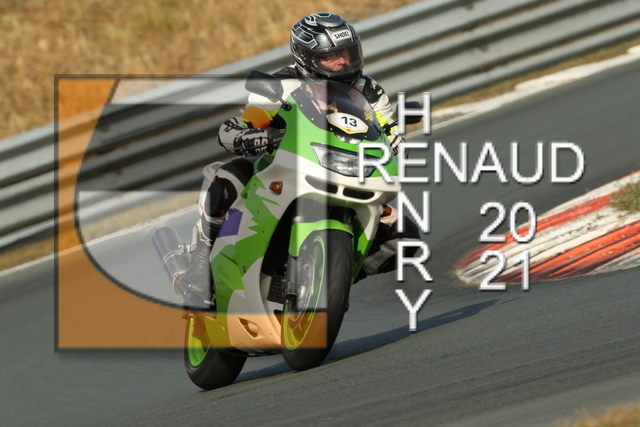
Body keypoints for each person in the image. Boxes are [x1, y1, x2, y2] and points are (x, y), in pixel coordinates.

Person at [179, 12, 420, 308]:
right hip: (285, 168)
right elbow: (245, 122)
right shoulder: (283, 84)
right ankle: (200, 265)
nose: (342, 62)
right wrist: (249, 135)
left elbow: (389, 133)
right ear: (306, 58)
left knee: (404, 238)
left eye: (347, 53)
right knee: (230, 176)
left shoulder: (369, 90)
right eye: (330, 56)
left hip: (349, 171)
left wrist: (398, 150)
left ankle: (329, 278)